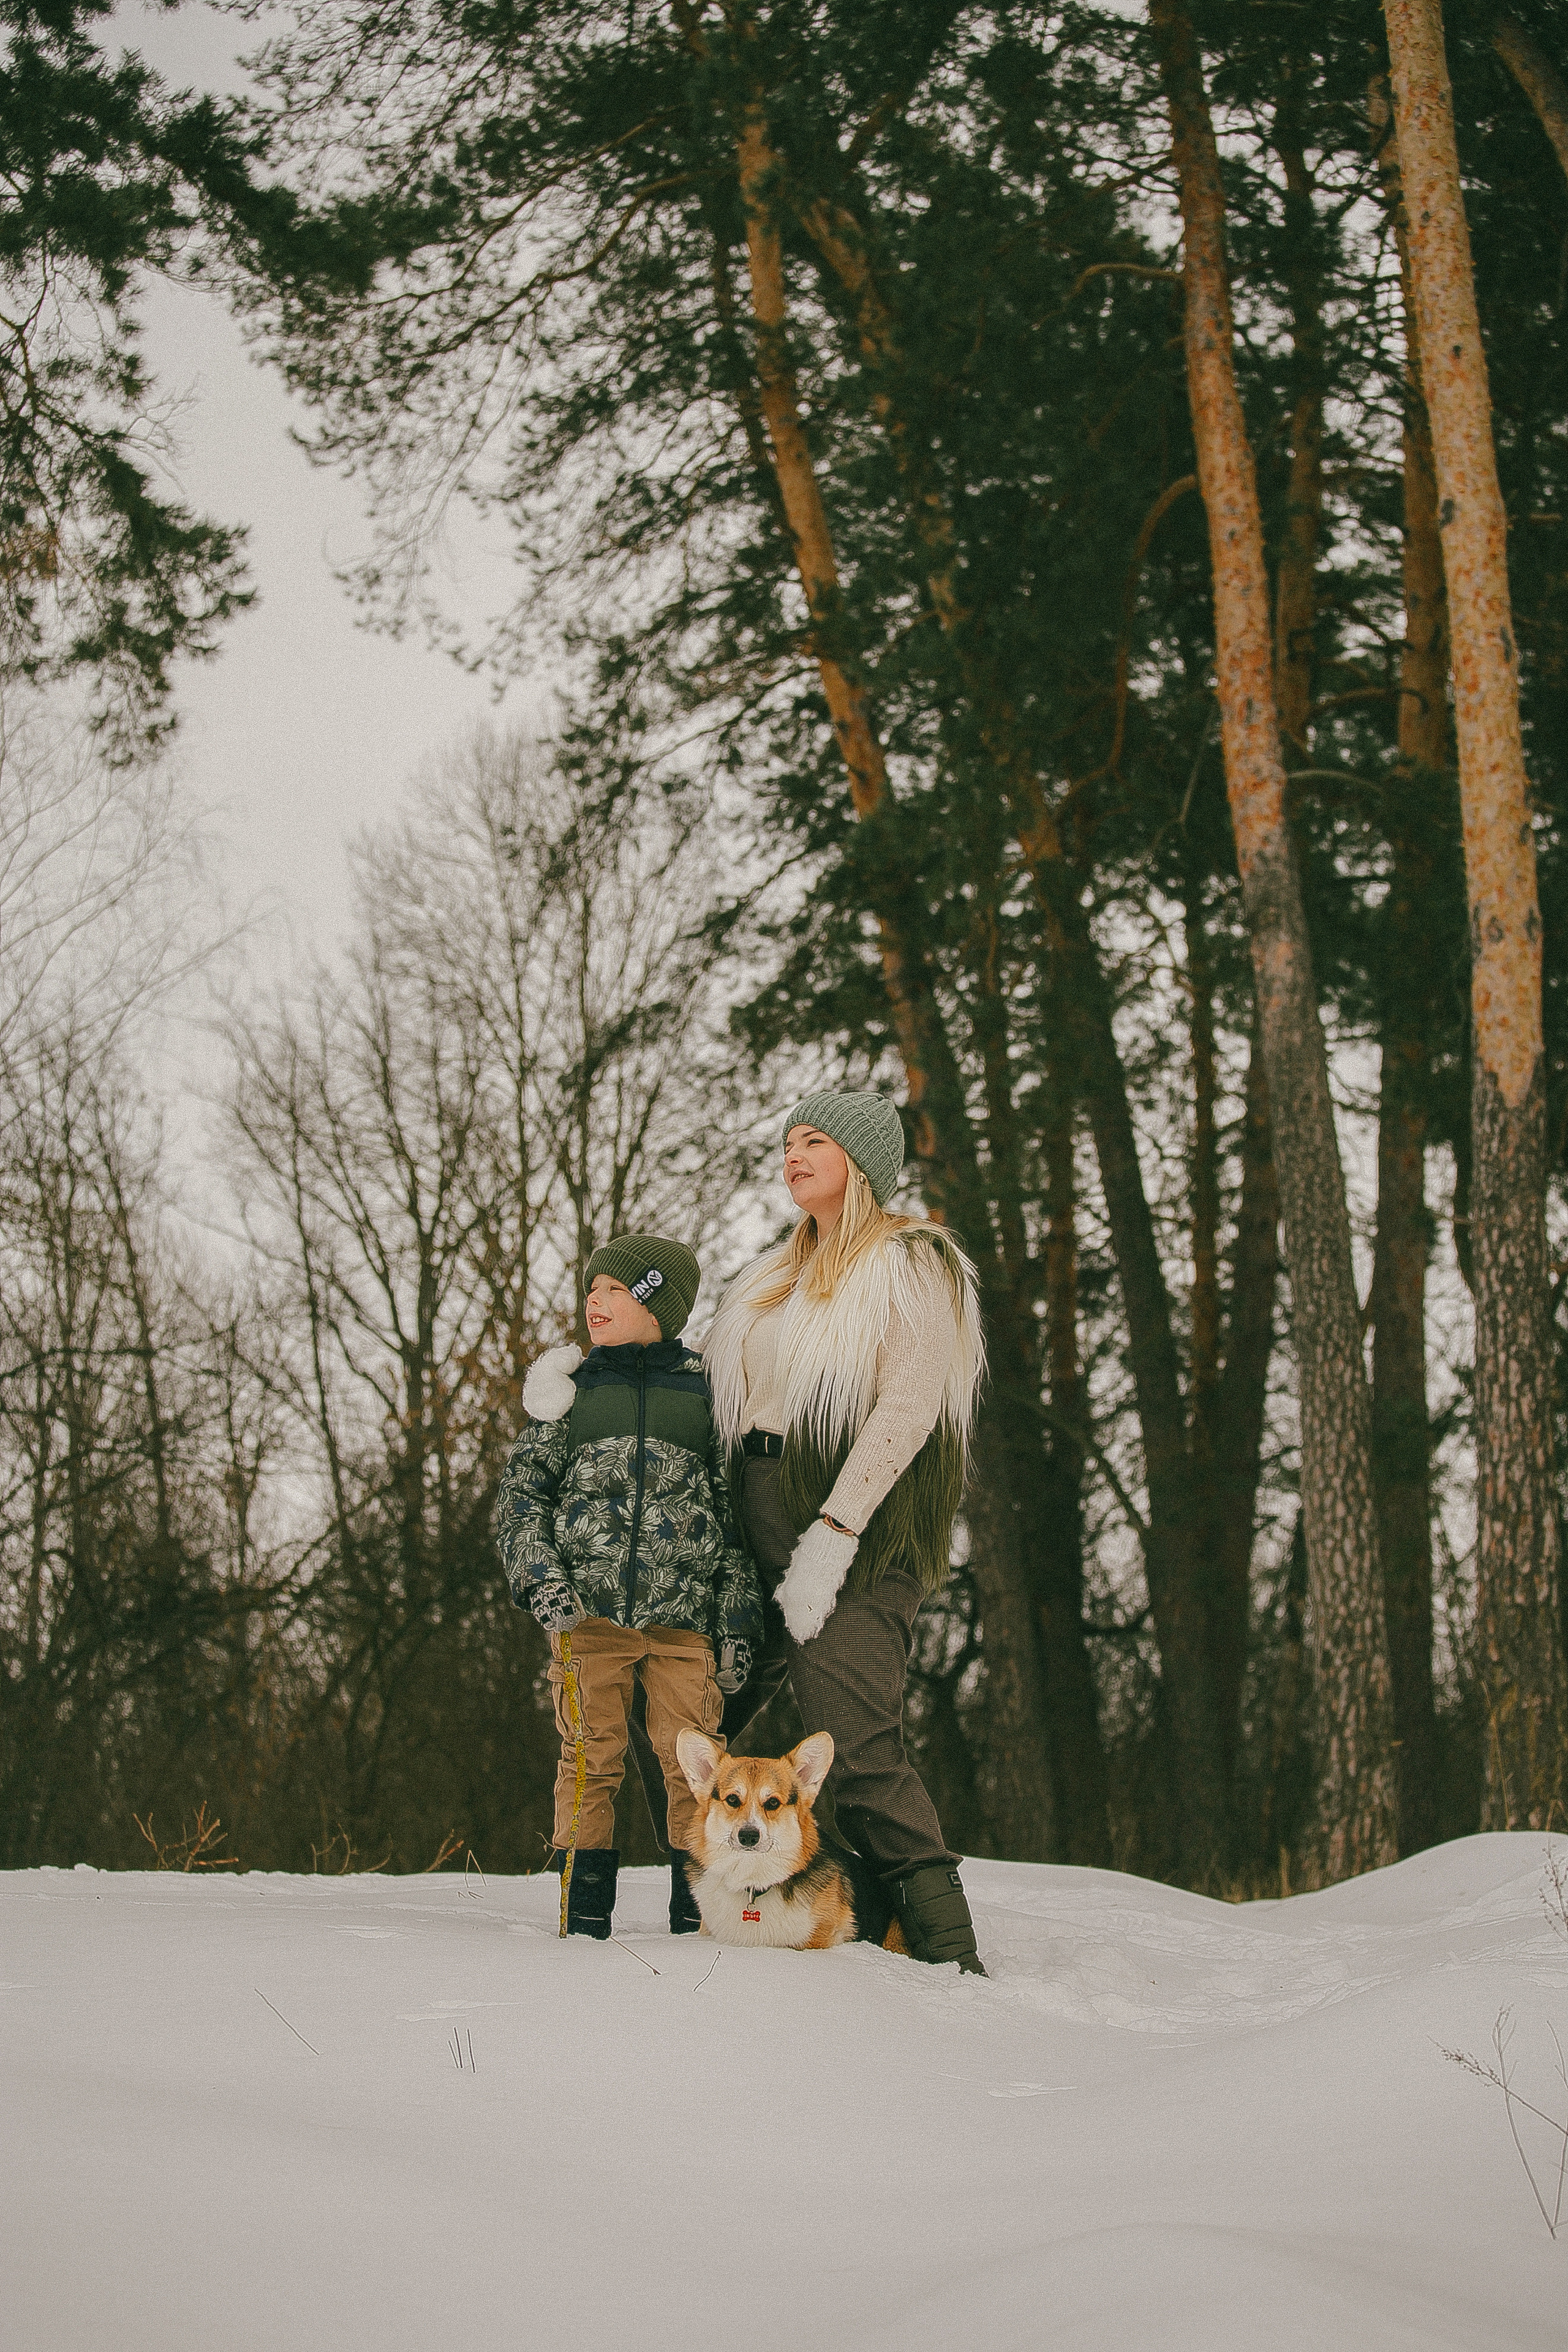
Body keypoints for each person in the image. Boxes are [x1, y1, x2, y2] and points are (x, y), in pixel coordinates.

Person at [703, 1091, 988, 1973]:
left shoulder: (910, 1261)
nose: (792, 1154)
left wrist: (833, 1532)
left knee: (855, 1747)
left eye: (814, 1140)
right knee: (691, 1717)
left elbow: (908, 1406)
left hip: (849, 1523)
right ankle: (724, 1915)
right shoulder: (773, 1275)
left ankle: (949, 1957)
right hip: (750, 1511)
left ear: (861, 1162)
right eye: (787, 1140)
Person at [495, 1234, 761, 1939]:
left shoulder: (706, 1394)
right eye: (592, 1289)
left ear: (656, 1304)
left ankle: (696, 1915)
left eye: (615, 1289)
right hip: (588, 1618)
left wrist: (737, 1621)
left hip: (684, 1621)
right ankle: (582, 1914)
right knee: (590, 1758)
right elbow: (522, 1497)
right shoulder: (571, 1392)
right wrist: (541, 1579)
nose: (596, 1301)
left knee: (694, 1765)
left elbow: (732, 1521)